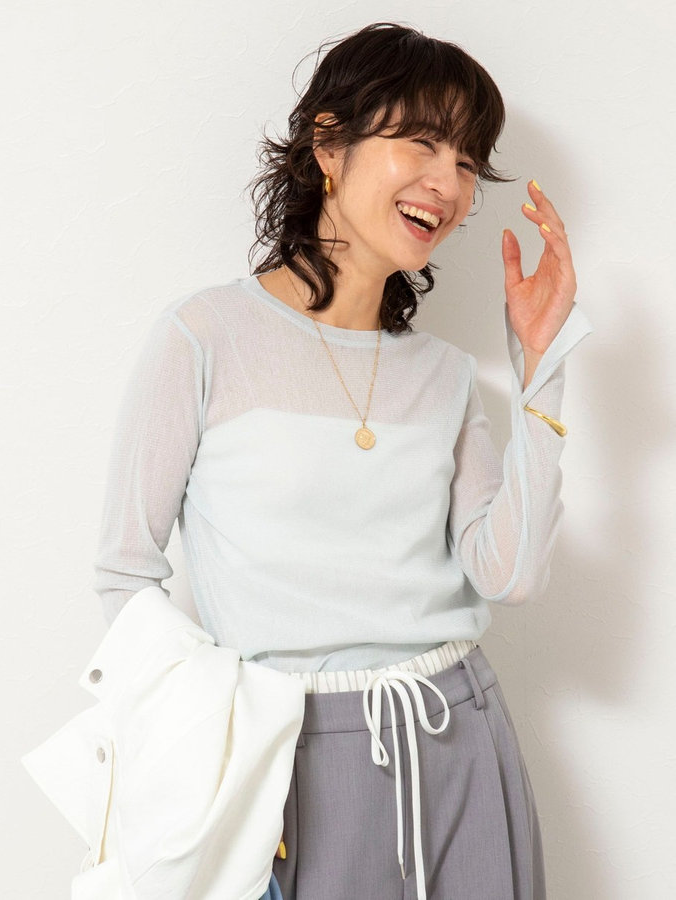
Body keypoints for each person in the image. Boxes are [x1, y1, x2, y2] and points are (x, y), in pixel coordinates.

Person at [93, 21, 592, 900]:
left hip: (461, 735)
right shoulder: (204, 337)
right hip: (288, 760)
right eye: (422, 142)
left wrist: (540, 368)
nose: (449, 184)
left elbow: (509, 574)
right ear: (329, 144)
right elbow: (124, 573)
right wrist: (212, 742)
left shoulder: (445, 376)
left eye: (467, 161)